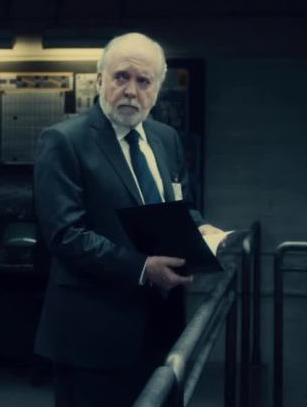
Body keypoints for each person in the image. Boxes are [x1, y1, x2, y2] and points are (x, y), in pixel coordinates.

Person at [33, 32, 223, 406]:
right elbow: (65, 234)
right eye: (121, 77)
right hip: (92, 337)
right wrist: (142, 268)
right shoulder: (63, 140)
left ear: (158, 89)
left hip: (162, 326)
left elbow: (177, 204)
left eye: (143, 81)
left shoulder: (166, 138)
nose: (131, 91)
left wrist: (203, 229)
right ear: (99, 79)